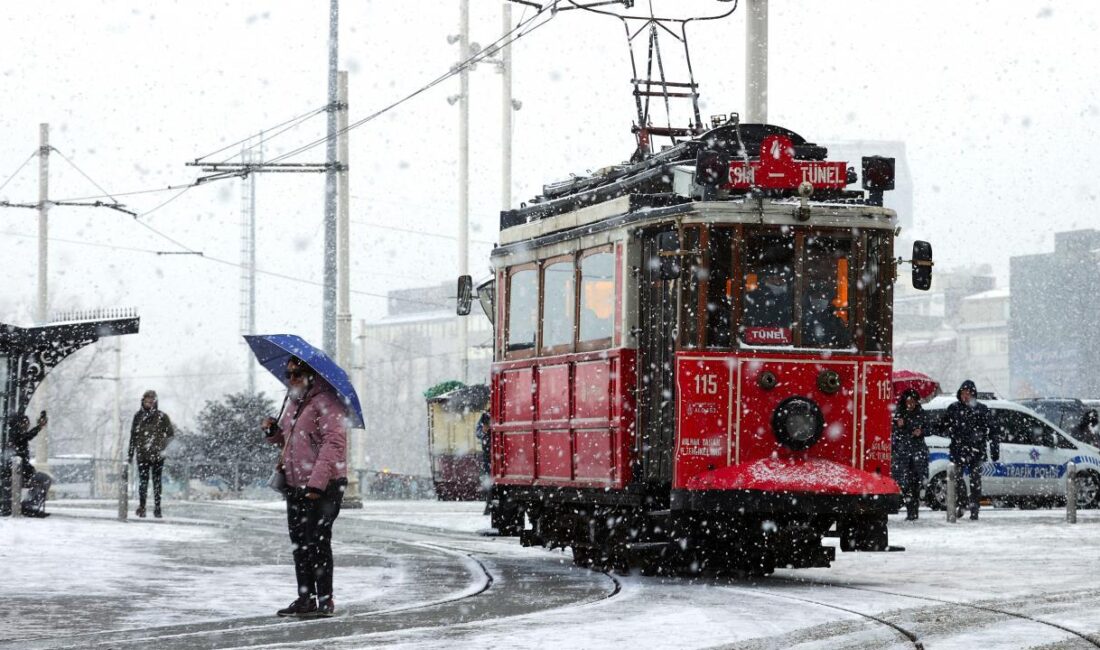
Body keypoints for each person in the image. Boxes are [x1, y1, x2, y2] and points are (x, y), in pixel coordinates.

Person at [262, 355, 348, 619]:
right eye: (289, 374)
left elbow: (332, 444)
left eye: (296, 374)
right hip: (295, 484)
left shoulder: (327, 403)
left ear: (311, 376)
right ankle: (305, 597)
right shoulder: (293, 404)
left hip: (325, 486)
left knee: (318, 541)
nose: (291, 379)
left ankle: (325, 599)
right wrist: (273, 432)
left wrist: (316, 484)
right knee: (299, 543)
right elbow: (288, 442)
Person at [942, 379, 998, 520]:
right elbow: (941, 425)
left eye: (968, 393)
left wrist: (994, 447)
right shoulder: (953, 408)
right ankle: (962, 503)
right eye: (963, 393)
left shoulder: (982, 409)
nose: (966, 396)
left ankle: (974, 509)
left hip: (976, 451)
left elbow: (993, 430)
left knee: (975, 481)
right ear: (960, 394)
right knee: (957, 479)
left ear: (973, 394)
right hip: (958, 450)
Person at [128, 389, 174, 518]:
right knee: (143, 482)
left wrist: (162, 447)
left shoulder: (162, 417)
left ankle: (157, 508)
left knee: (157, 481)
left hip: (158, 456)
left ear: (155, 402)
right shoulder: (138, 416)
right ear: (143, 401)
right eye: (146, 400)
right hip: (142, 454)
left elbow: (170, 435)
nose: (149, 403)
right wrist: (130, 454)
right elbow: (133, 436)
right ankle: (142, 507)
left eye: (151, 400)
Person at [890, 389, 928, 521]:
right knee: (903, 483)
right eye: (908, 401)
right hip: (903, 453)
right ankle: (909, 507)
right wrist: (898, 425)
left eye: (913, 401)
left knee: (915, 483)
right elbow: (893, 431)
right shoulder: (899, 414)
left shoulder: (921, 413)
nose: (910, 404)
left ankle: (913, 511)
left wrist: (921, 432)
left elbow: (929, 428)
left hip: (917, 453)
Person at [8, 412, 52, 517]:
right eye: (25, 423)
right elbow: (26, 437)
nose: (27, 425)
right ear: (19, 423)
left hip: (21, 470)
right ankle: (28, 506)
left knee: (41, 479)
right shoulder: (15, 434)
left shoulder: (14, 434)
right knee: (43, 479)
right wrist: (39, 427)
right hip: (17, 472)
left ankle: (29, 505)